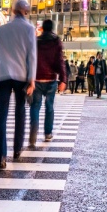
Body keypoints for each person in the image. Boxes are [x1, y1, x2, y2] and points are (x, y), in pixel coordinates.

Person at [0, 0, 36, 170]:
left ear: (14, 11)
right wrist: (31, 80)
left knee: (2, 115)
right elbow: (32, 55)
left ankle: (1, 157)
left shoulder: (3, 28)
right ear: (25, 11)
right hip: (21, 75)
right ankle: (17, 148)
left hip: (3, 75)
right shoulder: (29, 28)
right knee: (20, 112)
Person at [30, 19, 67, 148]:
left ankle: (33, 132)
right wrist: (63, 79)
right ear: (52, 28)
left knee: (35, 106)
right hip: (51, 79)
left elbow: (31, 59)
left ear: (42, 28)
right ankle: (48, 133)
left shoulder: (36, 41)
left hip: (37, 78)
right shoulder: (56, 40)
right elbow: (60, 60)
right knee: (49, 107)